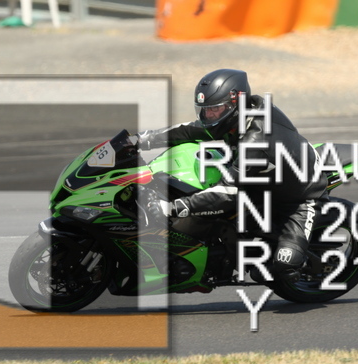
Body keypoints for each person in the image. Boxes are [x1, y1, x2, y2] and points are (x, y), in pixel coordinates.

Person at [135, 69, 328, 286]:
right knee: (212, 206)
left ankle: (298, 267)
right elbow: (188, 131)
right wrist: (144, 139)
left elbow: (227, 192)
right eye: (205, 110)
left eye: (215, 109)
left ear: (237, 103)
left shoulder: (257, 140)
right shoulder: (237, 115)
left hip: (299, 198)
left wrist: (171, 208)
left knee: (279, 268)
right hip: (261, 185)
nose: (209, 116)